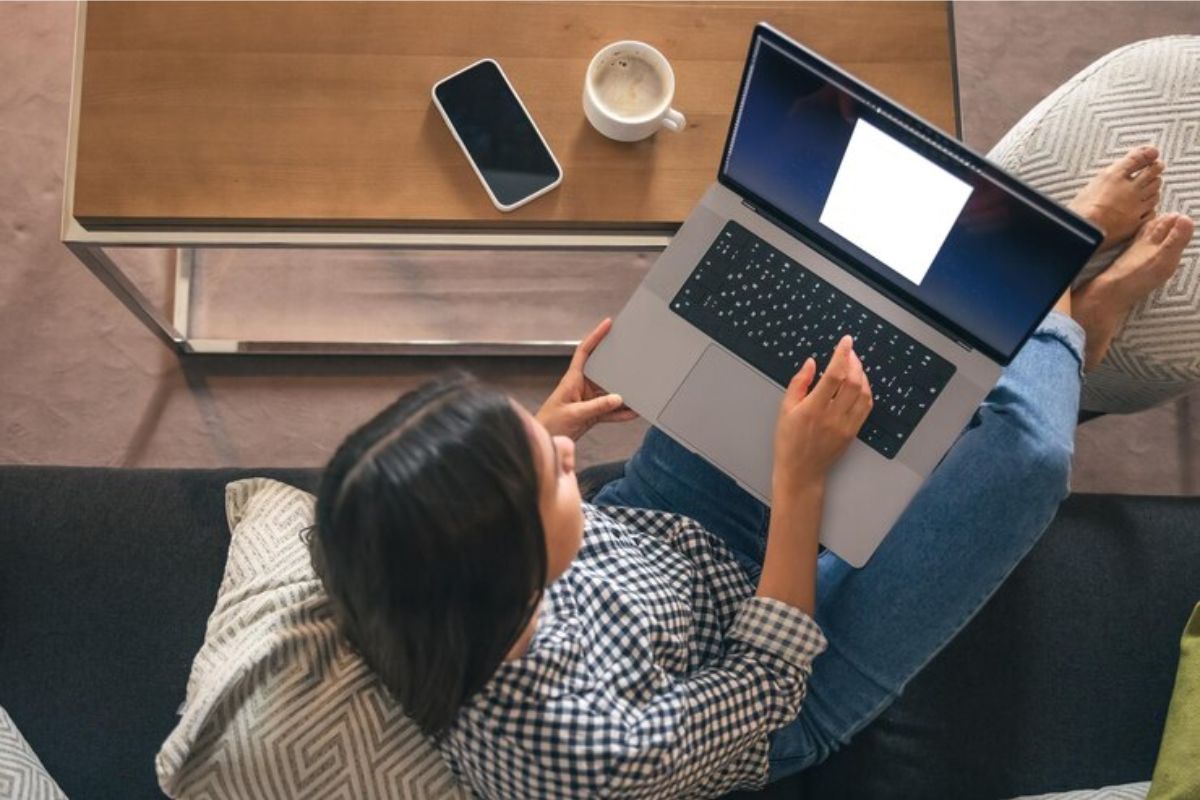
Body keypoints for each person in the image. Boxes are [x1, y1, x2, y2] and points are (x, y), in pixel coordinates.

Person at [308, 146, 1193, 799]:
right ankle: (1068, 308)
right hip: (777, 681)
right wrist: (799, 480)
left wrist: (530, 445)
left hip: (664, 526)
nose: (572, 451)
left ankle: (1029, 278)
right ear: (519, 581)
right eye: (555, 477)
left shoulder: (381, 568)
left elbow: (459, 522)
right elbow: (765, 679)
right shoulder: (587, 755)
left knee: (803, 265)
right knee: (1024, 457)